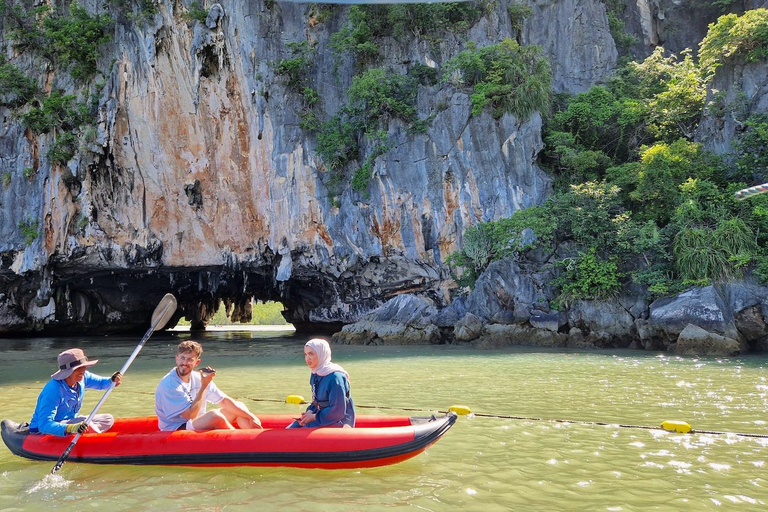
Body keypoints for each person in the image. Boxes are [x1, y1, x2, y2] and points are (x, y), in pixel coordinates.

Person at [155, 340, 262, 431]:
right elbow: (190, 415)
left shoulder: (198, 377)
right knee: (215, 416)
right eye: (182, 358)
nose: (185, 363)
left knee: (240, 407)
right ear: (176, 359)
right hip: (176, 428)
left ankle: (256, 438)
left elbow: (224, 401)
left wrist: (251, 416)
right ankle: (241, 443)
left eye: (190, 359)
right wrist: (204, 386)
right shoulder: (169, 385)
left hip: (196, 421)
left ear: (197, 362)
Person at [29, 348, 122, 436]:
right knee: (86, 422)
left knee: (107, 419)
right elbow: (44, 425)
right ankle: (94, 438)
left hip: (70, 420)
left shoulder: (83, 377)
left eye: (84, 366)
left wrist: (112, 380)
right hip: (45, 429)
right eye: (78, 368)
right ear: (67, 372)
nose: (83, 370)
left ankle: (86, 433)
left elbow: (102, 383)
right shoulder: (53, 390)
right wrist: (70, 428)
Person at [288, 338, 355, 429]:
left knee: (299, 434)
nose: (308, 358)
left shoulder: (335, 378)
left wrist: (314, 417)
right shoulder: (316, 374)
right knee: (291, 428)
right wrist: (310, 412)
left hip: (339, 421)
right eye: (306, 354)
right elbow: (316, 401)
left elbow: (338, 410)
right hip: (321, 416)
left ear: (321, 354)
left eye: (311, 354)